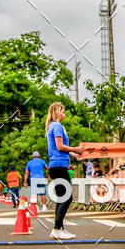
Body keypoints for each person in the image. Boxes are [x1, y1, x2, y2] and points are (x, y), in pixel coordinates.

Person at [46, 102, 82, 240]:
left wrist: (74, 155)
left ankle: (59, 228)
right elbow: (60, 146)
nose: (64, 114)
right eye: (62, 111)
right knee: (67, 197)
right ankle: (56, 229)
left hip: (56, 165)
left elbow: (59, 148)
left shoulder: (52, 126)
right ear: (56, 112)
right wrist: (75, 149)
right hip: (59, 165)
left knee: (62, 197)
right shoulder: (57, 126)